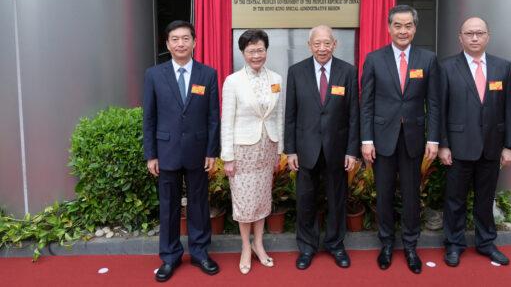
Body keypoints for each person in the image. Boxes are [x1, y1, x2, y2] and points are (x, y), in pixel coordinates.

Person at [360, 5, 440, 274]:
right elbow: (366, 103)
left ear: (415, 29)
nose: (403, 30)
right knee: (383, 195)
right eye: (398, 25)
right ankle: (385, 244)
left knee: (410, 194)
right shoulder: (374, 59)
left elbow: (434, 103)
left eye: (408, 26)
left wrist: (434, 139)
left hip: (414, 139)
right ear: (389, 27)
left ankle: (410, 245)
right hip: (382, 139)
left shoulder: (427, 59)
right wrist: (366, 139)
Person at [143, 20, 220, 282]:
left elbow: (213, 117)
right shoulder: (154, 75)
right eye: (175, 39)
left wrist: (212, 152)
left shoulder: (207, 74)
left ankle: (199, 253)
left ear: (194, 42)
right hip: (166, 151)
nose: (180, 43)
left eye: (185, 38)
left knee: (199, 205)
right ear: (167, 43)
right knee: (168, 206)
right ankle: (170, 256)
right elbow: (149, 118)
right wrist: (151, 154)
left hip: (199, 152)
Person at [438, 17, 511, 267]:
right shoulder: (447, 67)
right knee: (455, 200)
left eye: (479, 33)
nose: (474, 37)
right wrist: (443, 144)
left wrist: (509, 145)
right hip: (458, 147)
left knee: (485, 199)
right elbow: (439, 109)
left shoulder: (503, 67)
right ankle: (454, 244)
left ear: (488, 36)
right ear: (459, 37)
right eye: (469, 33)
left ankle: (486, 243)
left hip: (492, 147)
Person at [284, 25, 360, 270]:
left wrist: (351, 151)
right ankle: (307, 247)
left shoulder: (347, 72)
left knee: (337, 200)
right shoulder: (296, 72)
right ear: (309, 46)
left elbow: (353, 116)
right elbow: (291, 115)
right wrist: (291, 150)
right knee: (305, 201)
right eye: (317, 43)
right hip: (306, 150)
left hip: (337, 150)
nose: (322, 48)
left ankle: (336, 245)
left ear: (335, 44)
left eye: (327, 43)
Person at [220, 29, 284, 275]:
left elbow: (277, 115)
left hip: (267, 148)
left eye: (260, 50)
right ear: (243, 53)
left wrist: (280, 150)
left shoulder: (276, 78)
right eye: (251, 51)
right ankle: (246, 246)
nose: (256, 55)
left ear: (266, 51)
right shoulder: (233, 81)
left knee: (261, 199)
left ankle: (259, 243)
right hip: (242, 150)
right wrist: (227, 156)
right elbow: (227, 121)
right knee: (244, 201)